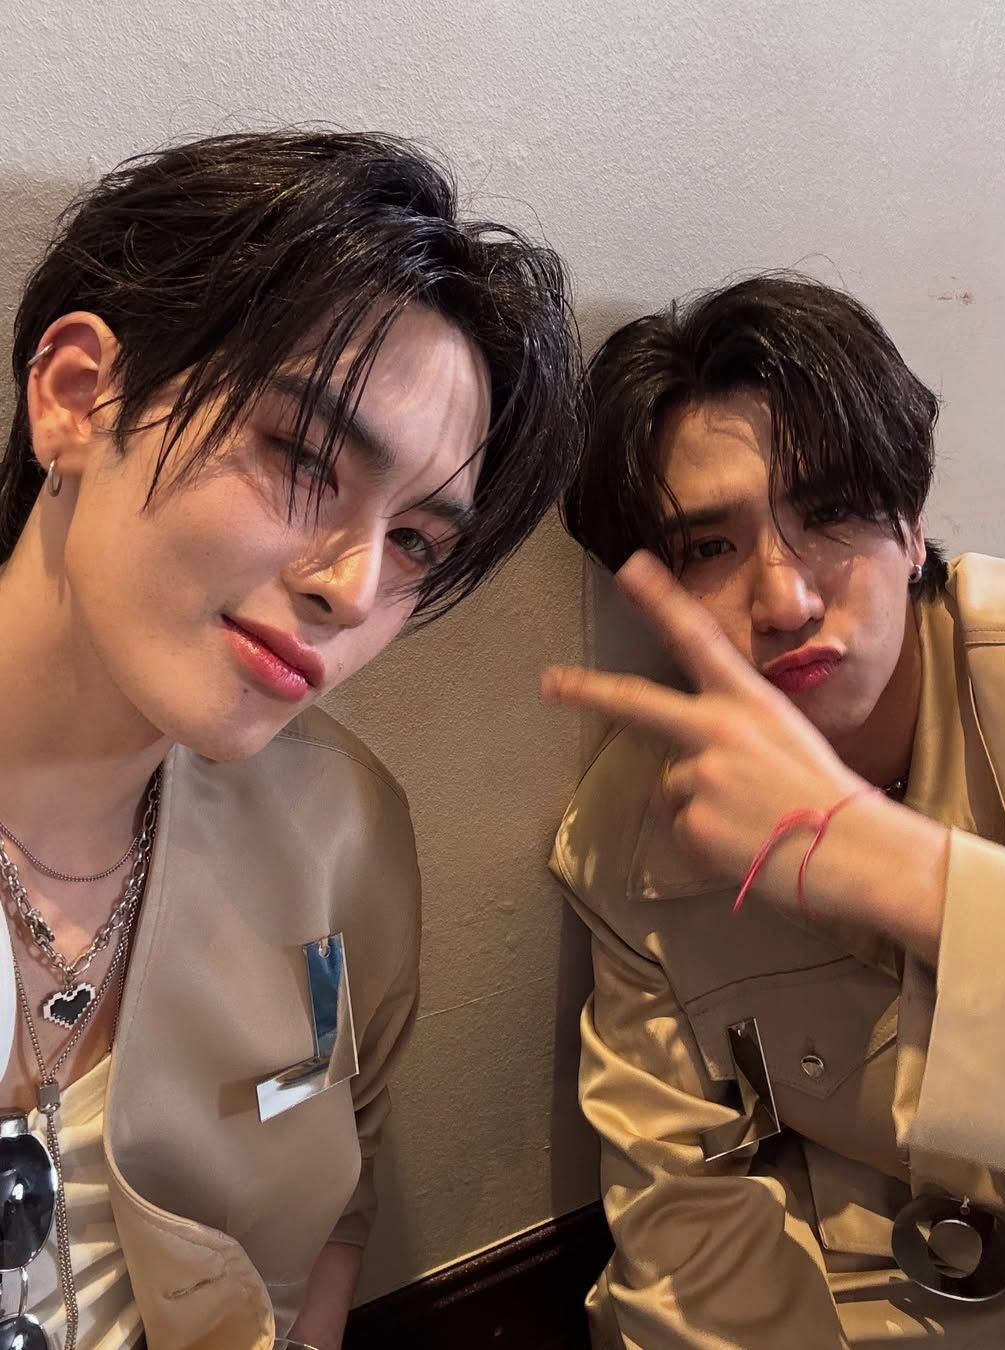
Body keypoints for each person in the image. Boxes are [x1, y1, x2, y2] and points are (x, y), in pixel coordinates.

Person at [0, 129, 581, 1350]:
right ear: (75, 398)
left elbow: (336, 1172)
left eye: (415, 541)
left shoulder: (339, 834)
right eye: (305, 457)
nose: (351, 586)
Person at [542, 274, 1005, 1347]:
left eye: (830, 512)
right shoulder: (633, 833)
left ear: (913, 528)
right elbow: (687, 1237)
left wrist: (885, 862)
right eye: (710, 548)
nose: (785, 598)